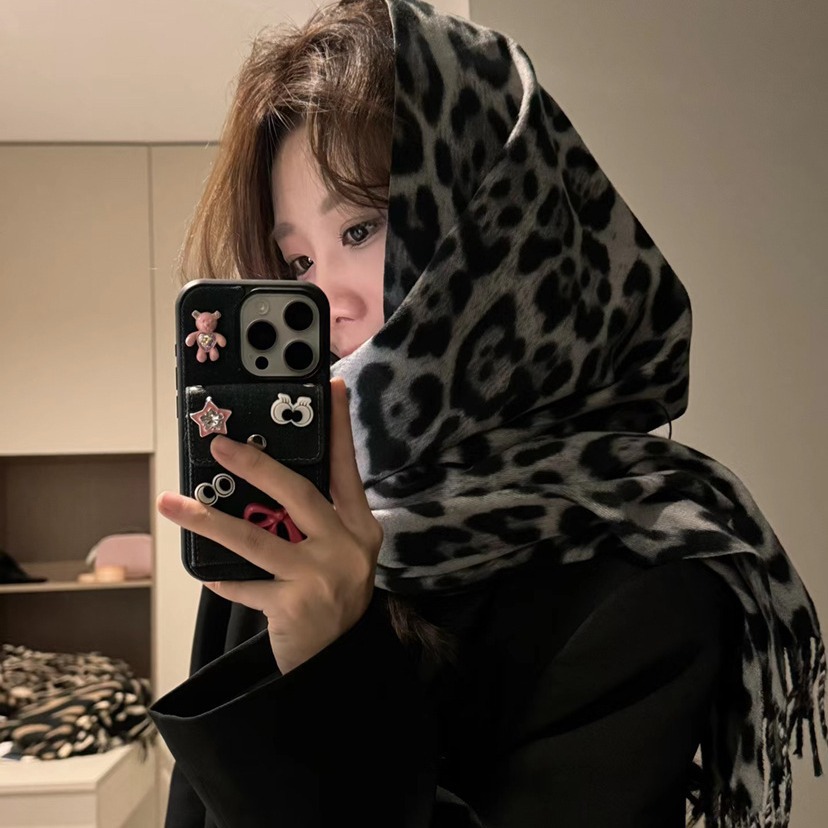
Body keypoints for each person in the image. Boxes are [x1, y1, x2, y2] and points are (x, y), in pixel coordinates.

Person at [148, 1, 827, 826]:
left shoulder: (642, 571)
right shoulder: (288, 513)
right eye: (297, 260)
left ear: (496, 221)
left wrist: (331, 663)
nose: (328, 303)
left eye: (361, 228)